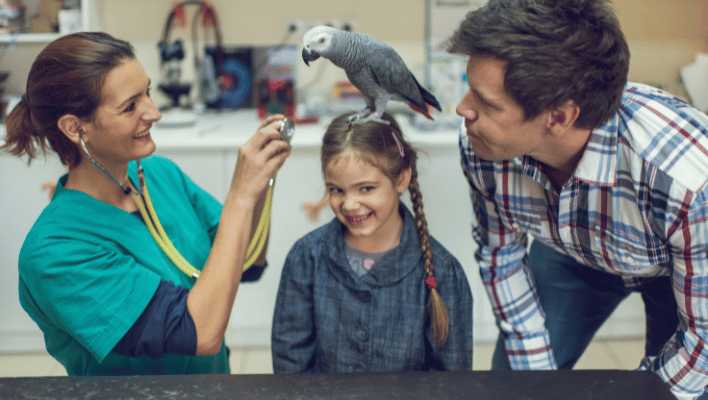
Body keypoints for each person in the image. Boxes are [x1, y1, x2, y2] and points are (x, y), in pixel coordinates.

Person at [448, 0, 708, 399]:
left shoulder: (688, 181)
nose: (462, 109)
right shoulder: (484, 146)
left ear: (559, 118)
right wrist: (535, 383)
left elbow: (701, 346)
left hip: (676, 271)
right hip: (570, 252)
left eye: (486, 103)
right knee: (512, 385)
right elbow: (501, 256)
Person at [1, 32, 291, 375]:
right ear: (75, 127)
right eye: (130, 106)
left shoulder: (160, 175)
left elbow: (247, 261)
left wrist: (261, 183)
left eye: (148, 93)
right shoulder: (54, 252)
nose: (154, 113)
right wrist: (241, 196)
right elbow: (200, 332)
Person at [271, 112, 473, 373]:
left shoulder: (440, 275)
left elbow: (452, 379)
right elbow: (290, 364)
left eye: (366, 188)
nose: (350, 204)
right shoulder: (305, 259)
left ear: (401, 178)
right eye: (336, 190)